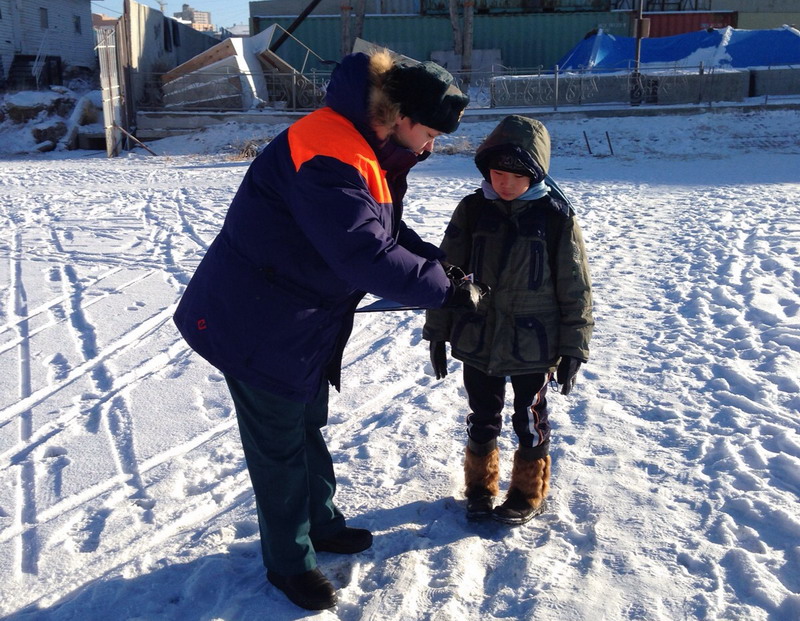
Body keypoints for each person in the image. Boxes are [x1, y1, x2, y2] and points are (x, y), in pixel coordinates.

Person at [174, 50, 479, 611]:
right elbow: (364, 254)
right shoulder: (328, 151)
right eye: (430, 132)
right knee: (280, 446)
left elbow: (384, 226)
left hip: (299, 320)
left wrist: (439, 265)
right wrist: (444, 289)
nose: (431, 146)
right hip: (257, 323)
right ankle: (289, 562)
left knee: (305, 423)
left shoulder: (360, 143)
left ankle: (320, 522)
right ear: (401, 113)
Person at [423, 115, 594, 525]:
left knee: (529, 420)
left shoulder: (556, 216)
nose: (505, 183)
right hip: (478, 337)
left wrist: (574, 348)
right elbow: (445, 272)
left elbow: (576, 287)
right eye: (497, 174)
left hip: (533, 344)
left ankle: (525, 491)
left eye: (516, 176)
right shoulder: (472, 209)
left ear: (534, 173)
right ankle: (480, 488)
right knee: (482, 416)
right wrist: (437, 332)